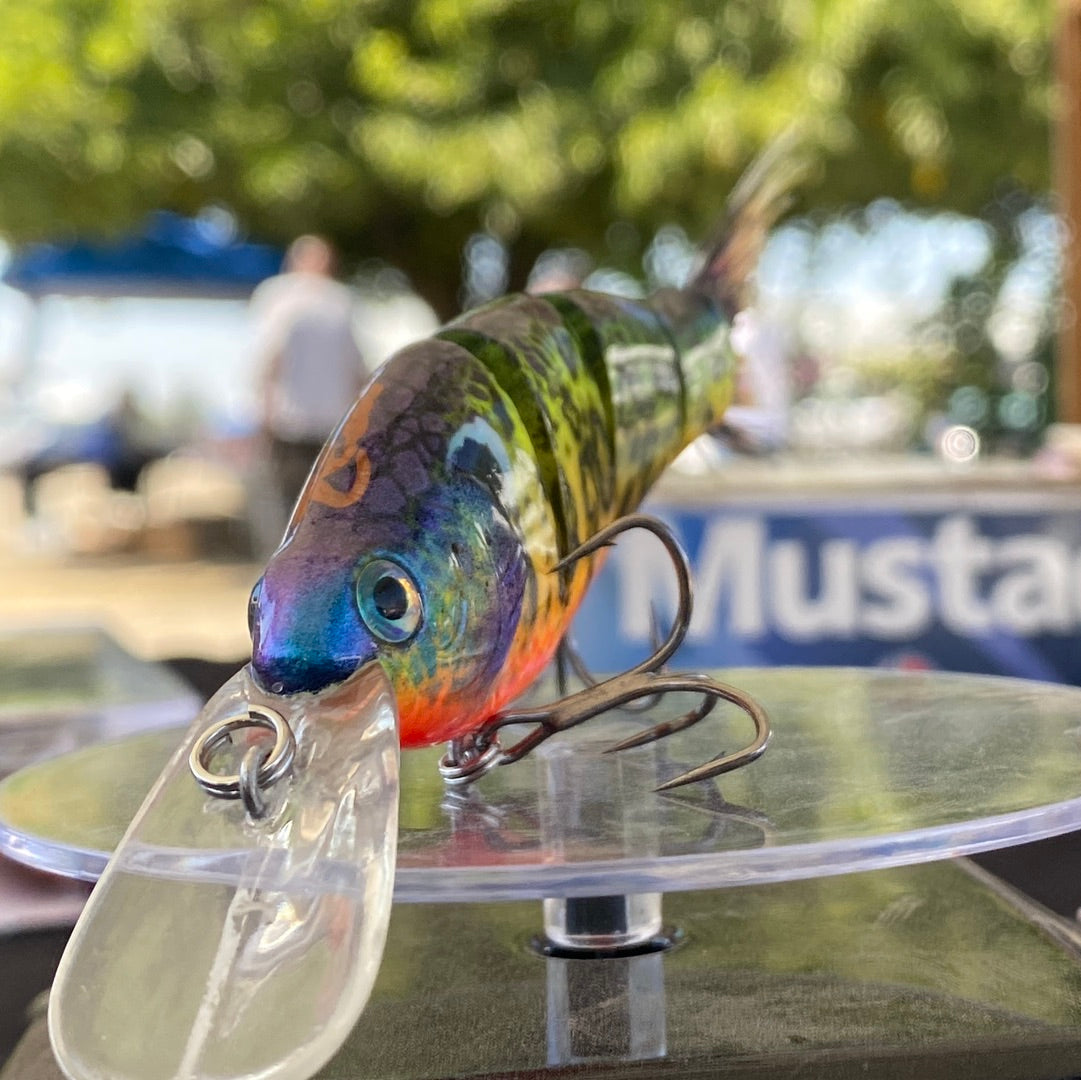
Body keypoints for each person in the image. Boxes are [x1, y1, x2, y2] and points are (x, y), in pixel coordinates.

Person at [250, 235, 369, 539]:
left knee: (285, 510)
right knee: (326, 511)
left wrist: (262, 414)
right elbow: (359, 370)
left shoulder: (279, 297)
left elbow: (267, 360)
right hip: (330, 425)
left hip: (294, 422)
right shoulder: (341, 301)